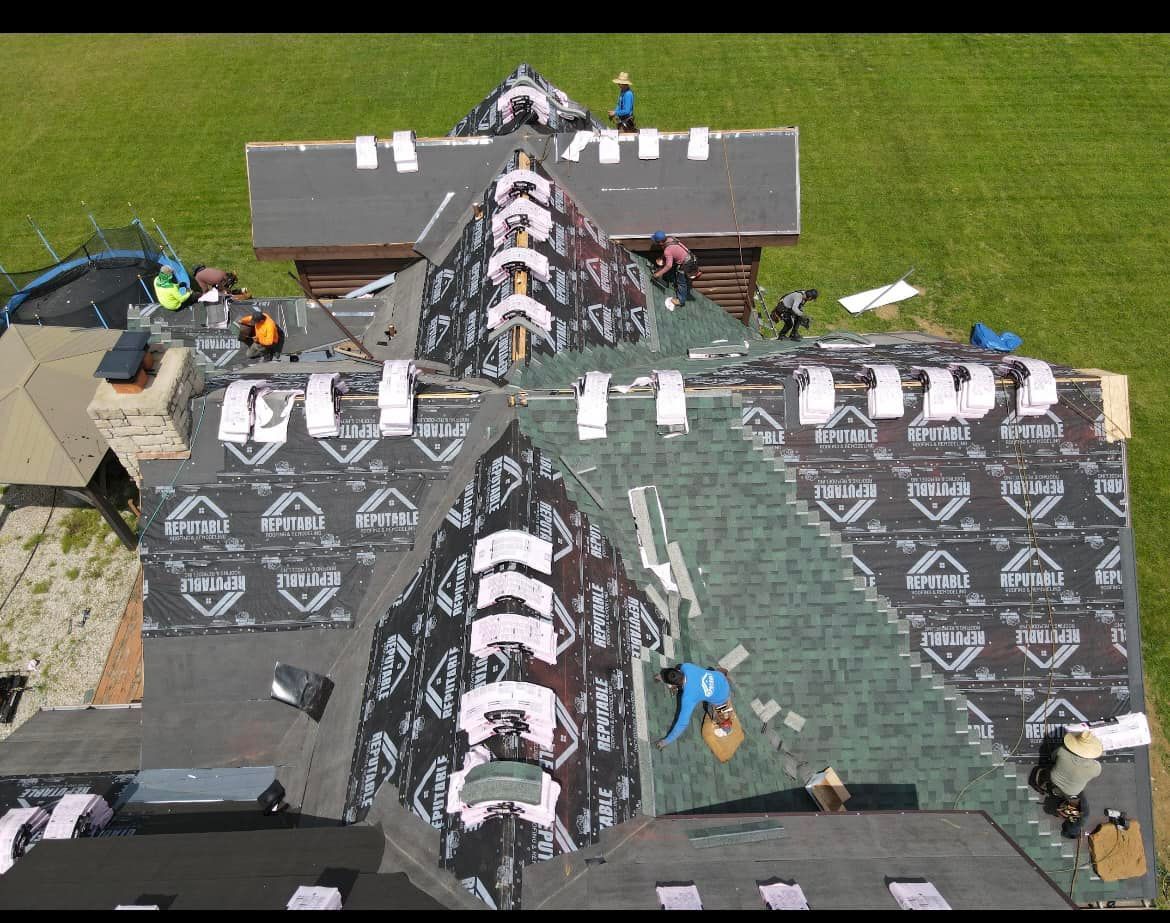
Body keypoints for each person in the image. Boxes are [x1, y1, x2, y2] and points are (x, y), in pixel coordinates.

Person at [1035, 730, 1104, 837]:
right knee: (1083, 815)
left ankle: (1051, 792)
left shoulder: (1061, 751)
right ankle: (1070, 832)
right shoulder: (1095, 768)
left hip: (1050, 781)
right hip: (1070, 792)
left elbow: (1053, 757)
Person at [653, 663, 731, 749]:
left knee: (715, 716)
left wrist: (666, 741)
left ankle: (726, 728)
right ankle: (725, 674)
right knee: (714, 672)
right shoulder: (686, 666)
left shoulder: (688, 698)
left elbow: (682, 724)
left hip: (722, 698)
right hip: (719, 677)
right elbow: (677, 670)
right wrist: (663, 676)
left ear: (674, 685)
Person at [651, 230, 699, 310]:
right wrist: (662, 258)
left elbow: (669, 265)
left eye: (656, 242)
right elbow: (672, 251)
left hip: (686, 265)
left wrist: (658, 274)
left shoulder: (667, 251)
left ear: (660, 242)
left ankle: (680, 300)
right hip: (691, 258)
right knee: (681, 277)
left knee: (681, 282)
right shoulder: (671, 239)